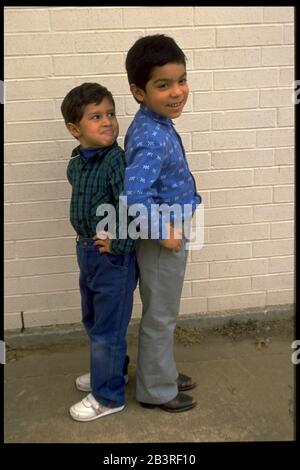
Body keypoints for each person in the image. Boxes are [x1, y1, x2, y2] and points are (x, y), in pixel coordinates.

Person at [96, 34, 201, 413]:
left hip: (170, 228)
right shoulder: (151, 135)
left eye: (182, 80)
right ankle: (156, 390)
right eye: (163, 85)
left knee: (163, 311)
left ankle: (163, 371)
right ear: (139, 91)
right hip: (163, 236)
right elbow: (133, 197)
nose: (177, 92)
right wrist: (162, 233)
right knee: (161, 314)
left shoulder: (154, 122)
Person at [61, 82, 137, 422]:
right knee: (93, 320)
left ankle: (108, 396)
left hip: (112, 260)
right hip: (86, 253)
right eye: (96, 116)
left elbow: (131, 206)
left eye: (110, 114)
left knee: (108, 328)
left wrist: (118, 243)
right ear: (75, 129)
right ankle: (109, 371)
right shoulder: (77, 163)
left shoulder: (116, 162)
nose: (108, 121)